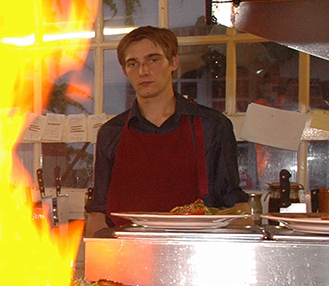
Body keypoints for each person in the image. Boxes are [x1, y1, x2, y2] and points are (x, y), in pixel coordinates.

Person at [84, 26, 248, 234]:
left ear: (173, 62)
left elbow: (234, 205)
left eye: (153, 60)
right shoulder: (111, 133)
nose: (143, 71)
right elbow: (98, 212)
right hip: (127, 254)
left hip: (195, 250)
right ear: (125, 72)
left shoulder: (212, 125)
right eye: (133, 64)